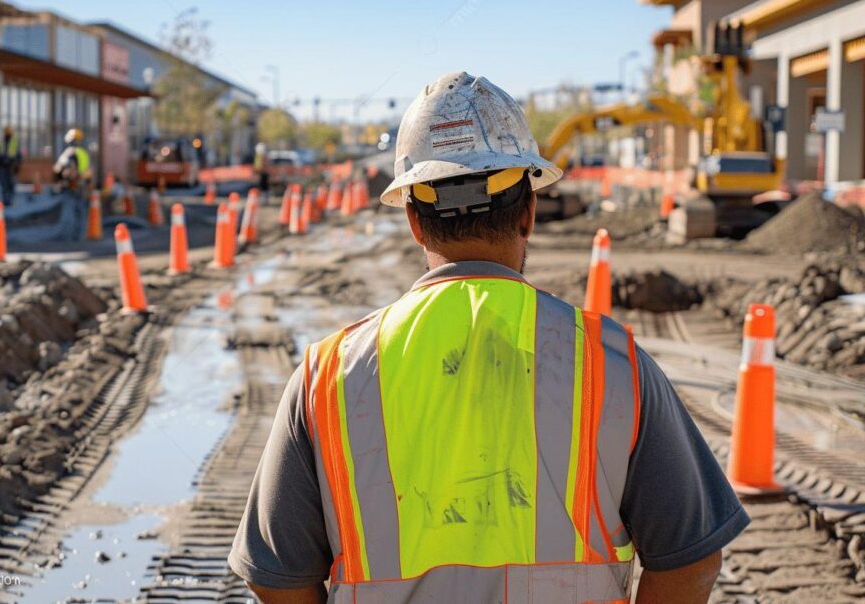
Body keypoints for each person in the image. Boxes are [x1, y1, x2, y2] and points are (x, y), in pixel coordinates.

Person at [229, 72, 749, 604]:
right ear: (528, 212)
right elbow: (692, 558)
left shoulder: (326, 375)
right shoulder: (613, 364)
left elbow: (276, 575)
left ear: (413, 220)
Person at [53, 128, 92, 240]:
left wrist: (61, 181)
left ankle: (69, 236)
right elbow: (88, 172)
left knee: (69, 211)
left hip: (72, 186)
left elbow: (63, 171)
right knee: (81, 212)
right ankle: (80, 236)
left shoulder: (69, 153)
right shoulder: (83, 153)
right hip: (82, 186)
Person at [0, 126, 21, 207]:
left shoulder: (9, 143)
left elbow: (18, 156)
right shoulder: (3, 143)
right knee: (6, 185)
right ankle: (7, 200)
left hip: (9, 167)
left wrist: (16, 165)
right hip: (4, 167)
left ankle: (8, 200)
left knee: (9, 185)